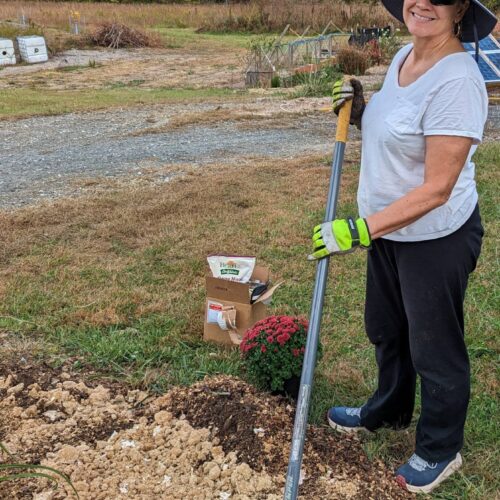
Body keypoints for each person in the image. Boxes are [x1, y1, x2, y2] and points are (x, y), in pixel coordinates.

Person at [308, 0, 497, 494]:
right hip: (390, 229)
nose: (423, 4)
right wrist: (359, 108)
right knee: (387, 329)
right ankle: (388, 410)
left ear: (459, 10)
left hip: (435, 236)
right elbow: (398, 131)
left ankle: (440, 448)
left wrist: (358, 229)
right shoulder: (403, 57)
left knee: (434, 347)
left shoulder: (458, 81)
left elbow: (436, 188)